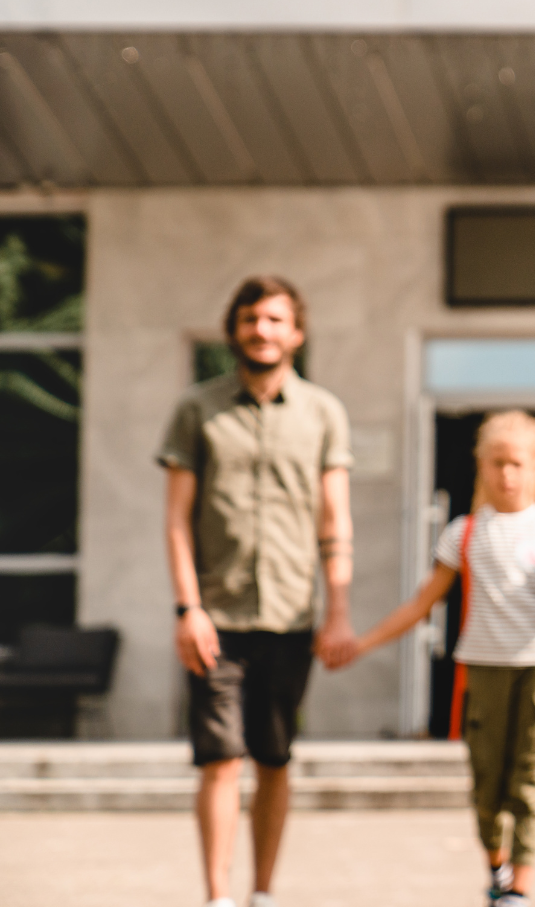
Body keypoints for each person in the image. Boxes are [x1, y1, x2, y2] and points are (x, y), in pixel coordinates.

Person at [342, 411, 535, 905]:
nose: (507, 474)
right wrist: (362, 643)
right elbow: (422, 603)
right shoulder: (463, 532)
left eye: (517, 463)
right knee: (487, 783)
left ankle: (519, 890)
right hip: (483, 666)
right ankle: (497, 871)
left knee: (530, 778)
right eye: (496, 463)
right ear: (481, 465)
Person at [159, 275, 355, 907]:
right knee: (219, 757)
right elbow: (176, 520)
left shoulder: (323, 412)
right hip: (215, 614)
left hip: (291, 614)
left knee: (273, 756)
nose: (261, 331)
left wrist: (338, 614)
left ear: (295, 332)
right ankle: (218, 897)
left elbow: (335, 520)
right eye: (250, 319)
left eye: (274, 320)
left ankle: (262, 893)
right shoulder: (198, 409)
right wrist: (188, 608)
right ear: (233, 330)